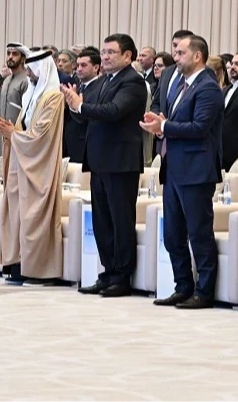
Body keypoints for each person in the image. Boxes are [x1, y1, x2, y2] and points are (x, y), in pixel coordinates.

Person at [60, 33, 147, 297]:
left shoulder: (132, 81)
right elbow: (88, 116)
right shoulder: (103, 81)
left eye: (111, 52)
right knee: (102, 222)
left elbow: (113, 111)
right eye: (104, 52)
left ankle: (121, 277)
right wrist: (74, 106)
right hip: (99, 160)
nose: (105, 57)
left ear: (127, 56)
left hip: (120, 162)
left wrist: (81, 106)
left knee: (120, 221)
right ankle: (108, 272)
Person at [140, 35, 223, 309]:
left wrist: (164, 127)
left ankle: (204, 291)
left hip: (196, 171)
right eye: (175, 53)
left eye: (181, 53)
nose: (176, 58)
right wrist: (161, 125)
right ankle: (182, 285)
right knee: (173, 235)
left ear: (197, 56)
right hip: (174, 168)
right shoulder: (179, 85)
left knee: (199, 234)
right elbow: (173, 122)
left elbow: (199, 128)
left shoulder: (208, 87)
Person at [0, 48, 65, 285]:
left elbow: (40, 135)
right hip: (21, 164)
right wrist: (7, 130)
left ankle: (39, 271)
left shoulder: (53, 97)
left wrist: (13, 133)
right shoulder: (31, 95)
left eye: (32, 69)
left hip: (39, 166)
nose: (29, 73)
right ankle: (17, 265)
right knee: (16, 216)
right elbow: (23, 127)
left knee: (34, 217)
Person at [0, 43, 29, 158]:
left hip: (18, 138)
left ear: (23, 59)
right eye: (8, 53)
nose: (10, 57)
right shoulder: (6, 80)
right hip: (3, 138)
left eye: (15, 54)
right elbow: (1, 114)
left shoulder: (26, 81)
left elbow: (27, 115)